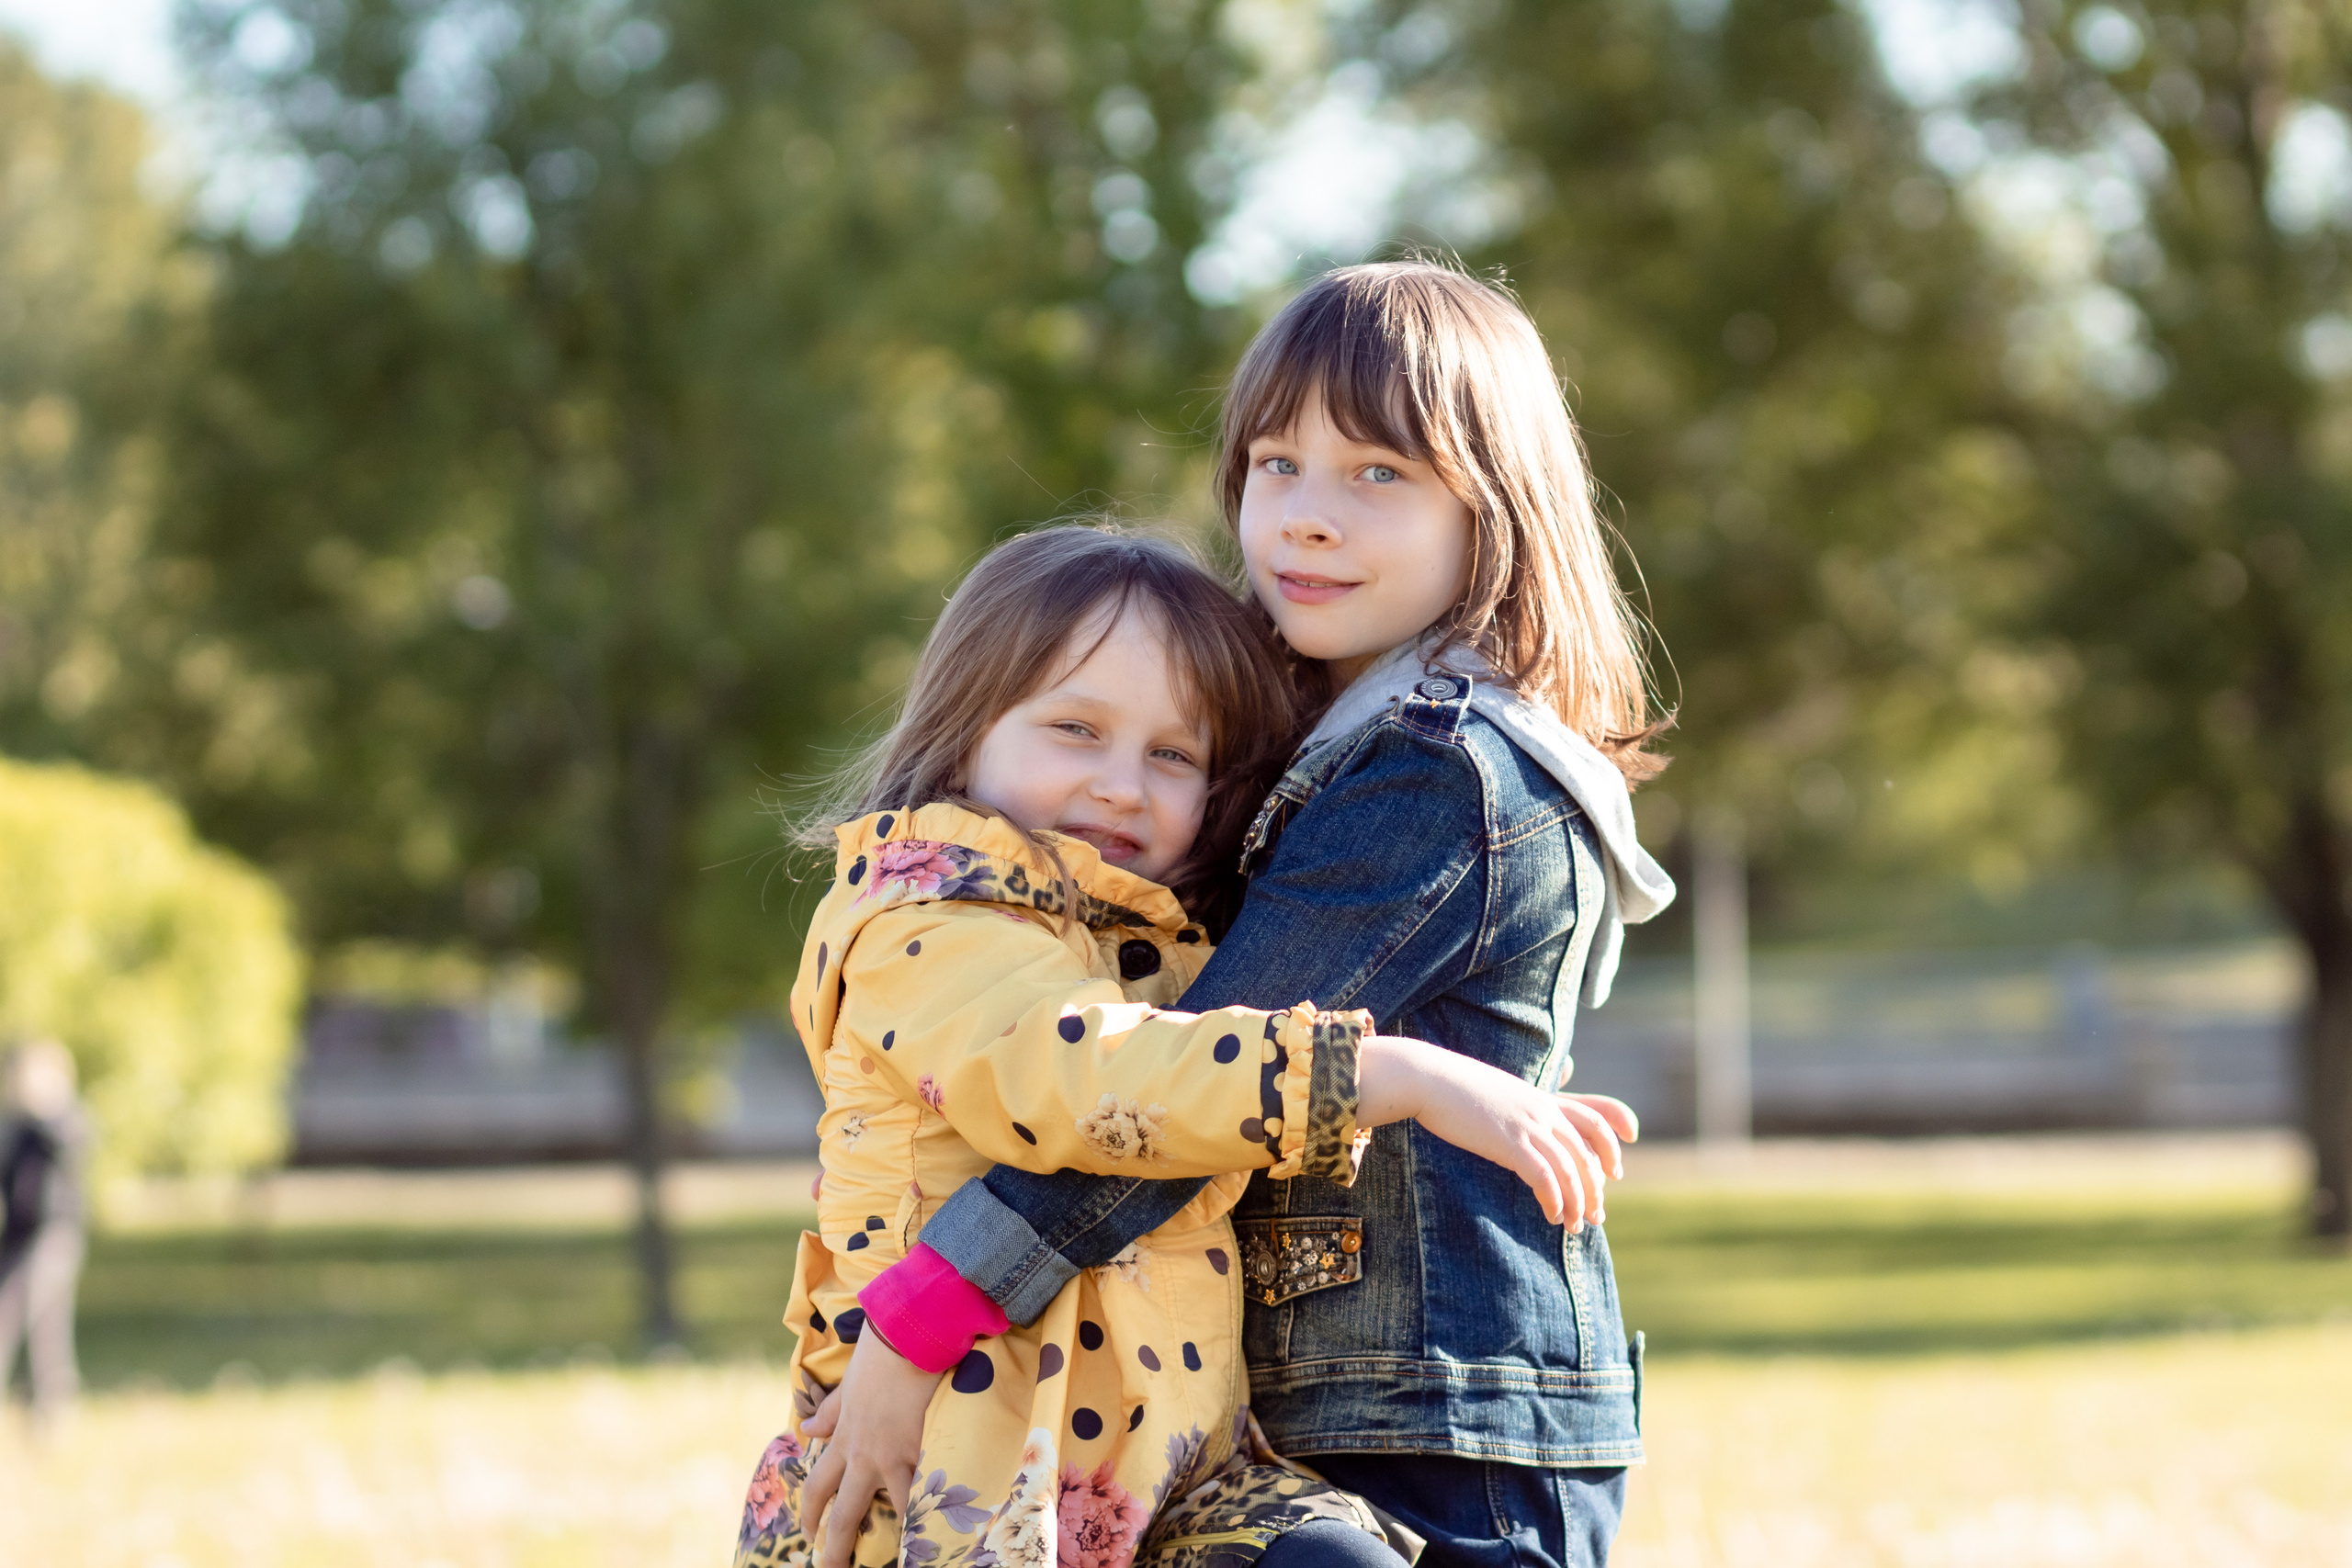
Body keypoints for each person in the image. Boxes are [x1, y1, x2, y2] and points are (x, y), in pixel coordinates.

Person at [835, 261, 1678, 1568]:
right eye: (1277, 463)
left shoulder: (1438, 772)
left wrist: (927, 1308)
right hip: (1323, 1413)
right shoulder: (1324, 744)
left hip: (1437, 1418)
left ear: (1494, 507)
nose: (1307, 517)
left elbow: (1184, 1073)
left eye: (1377, 474)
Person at [735, 525, 1637, 1568]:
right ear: (964, 730)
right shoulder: (927, 920)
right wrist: (1388, 1074)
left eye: (1173, 755)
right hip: (959, 1481)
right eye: (1076, 730)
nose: (1123, 785)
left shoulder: (1163, 946)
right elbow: (1084, 1073)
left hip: (1182, 1480)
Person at [0, 1037, 91, 1435]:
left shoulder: (68, 1121)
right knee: (33, 1321)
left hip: (55, 1236)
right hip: (17, 1237)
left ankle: (50, 1409)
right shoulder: (15, 1127)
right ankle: (45, 1408)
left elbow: (69, 1146)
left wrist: (47, 1110)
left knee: (28, 1314)